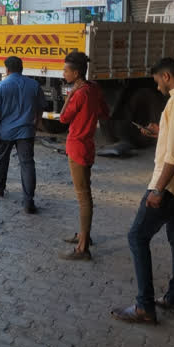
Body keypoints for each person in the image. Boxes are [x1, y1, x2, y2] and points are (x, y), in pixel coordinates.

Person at [111, 58, 174, 324]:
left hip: (170, 187)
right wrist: (162, 132)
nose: (157, 88)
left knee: (136, 237)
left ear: (166, 76)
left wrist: (158, 189)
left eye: (157, 81)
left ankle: (144, 306)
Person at [58, 52, 110, 261]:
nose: (63, 73)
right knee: (84, 194)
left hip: (77, 146)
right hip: (87, 145)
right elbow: (105, 113)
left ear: (76, 72)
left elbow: (63, 118)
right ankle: (83, 236)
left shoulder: (79, 93)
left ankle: (83, 247)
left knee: (83, 197)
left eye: (66, 70)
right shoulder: (94, 88)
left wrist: (69, 95)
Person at [0, 56, 45, 214]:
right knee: (27, 165)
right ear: (22, 68)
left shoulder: (1, 86)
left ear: (7, 69)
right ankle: (28, 201)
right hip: (26, 131)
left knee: (2, 160)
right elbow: (41, 107)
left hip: (5, 131)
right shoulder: (33, 85)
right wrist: (36, 123)